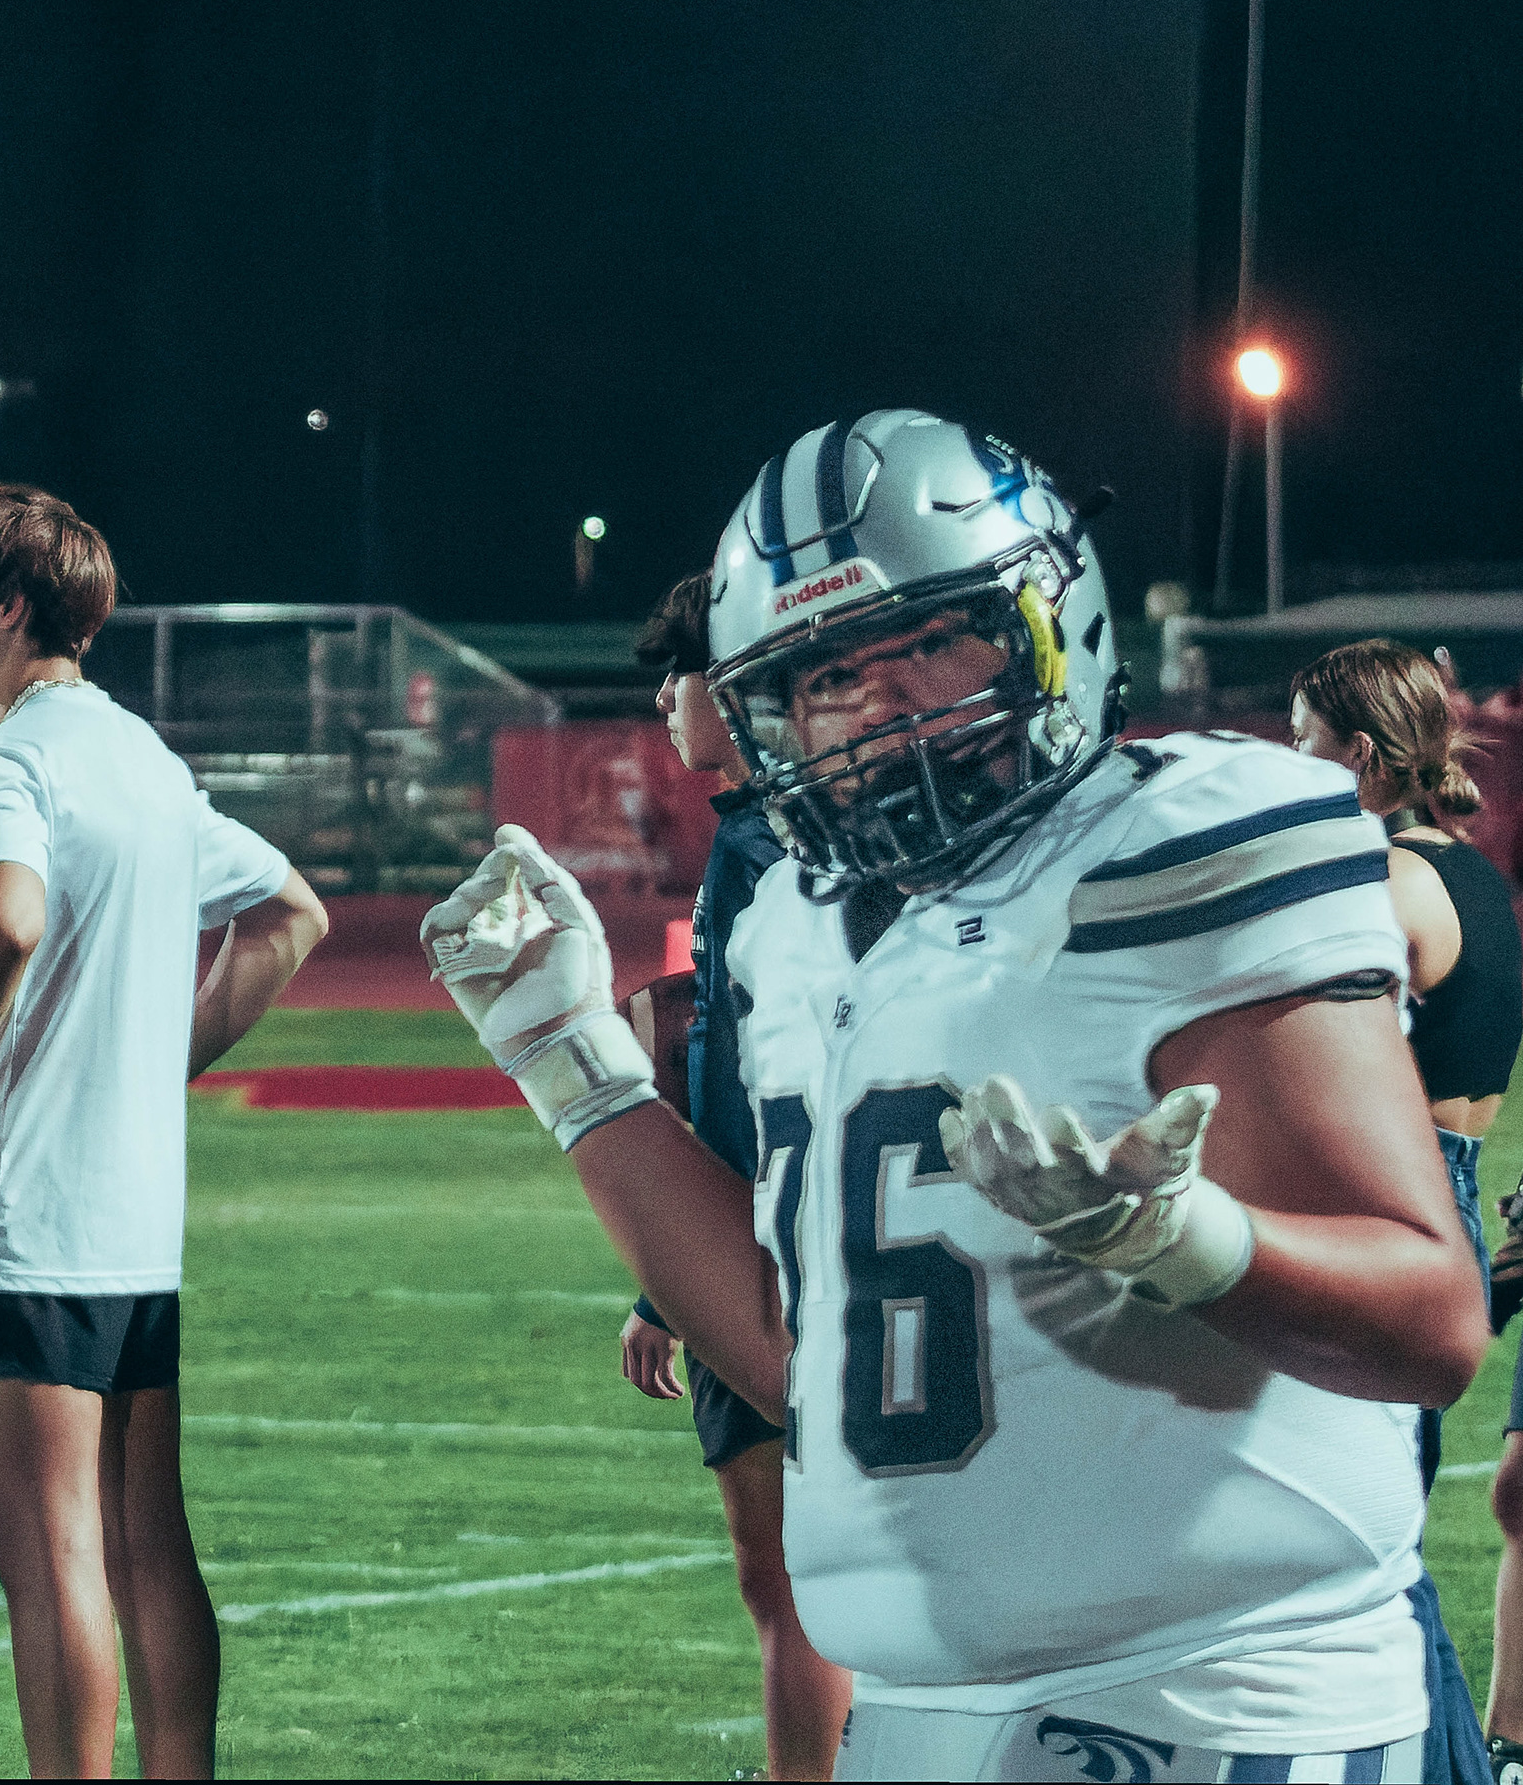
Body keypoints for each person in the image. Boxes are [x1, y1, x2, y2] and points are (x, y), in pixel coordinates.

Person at [432, 409, 1484, 1780]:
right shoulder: (795, 922)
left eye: (930, 642)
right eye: (824, 674)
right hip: (913, 1713)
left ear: (1049, 622)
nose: (877, 706)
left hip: (1222, 1704)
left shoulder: (1193, 835)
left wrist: (1180, 1239)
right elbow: (797, 1358)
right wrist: (566, 1052)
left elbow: (1429, 1324)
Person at [0, 479, 333, 1779]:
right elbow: (290, 916)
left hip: (34, 1213)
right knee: (147, 1544)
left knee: (52, 1553)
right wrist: (150, 1068)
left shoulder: (2, 762)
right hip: (135, 1219)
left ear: (8, 608)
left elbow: (8, 920)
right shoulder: (143, 758)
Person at [612, 571, 851, 1779]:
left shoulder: (766, 842)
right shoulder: (806, 829)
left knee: (788, 1581)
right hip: (824, 1235)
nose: (665, 697)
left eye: (682, 670)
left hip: (766, 1252)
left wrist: (672, 1278)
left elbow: (747, 1086)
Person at [1288, 639, 1523, 1785]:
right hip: (1447, 1206)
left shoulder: (1388, 885)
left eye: (1305, 741)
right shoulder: (1477, 878)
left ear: (1365, 756)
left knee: (1357, 1556)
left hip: (1392, 1215)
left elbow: (1318, 1066)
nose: (1291, 761)